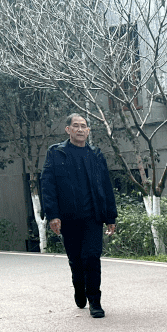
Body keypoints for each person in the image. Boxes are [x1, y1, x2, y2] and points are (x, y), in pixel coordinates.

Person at [41, 114, 118, 318]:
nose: (80, 129)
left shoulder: (95, 155)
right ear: (68, 129)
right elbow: (48, 185)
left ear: (88, 131)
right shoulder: (56, 153)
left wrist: (111, 217)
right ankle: (79, 287)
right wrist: (53, 215)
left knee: (92, 257)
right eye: (76, 126)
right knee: (76, 260)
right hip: (68, 218)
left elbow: (106, 187)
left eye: (84, 126)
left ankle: (95, 301)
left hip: (93, 216)